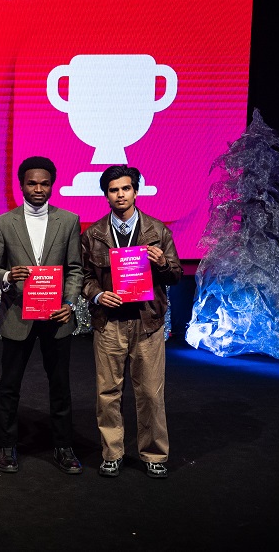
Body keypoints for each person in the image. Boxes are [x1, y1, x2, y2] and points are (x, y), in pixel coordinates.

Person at [0, 157, 83, 475]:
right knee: (10, 386)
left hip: (56, 316)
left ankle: (63, 447)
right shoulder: (3, 223)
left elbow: (75, 269)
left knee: (60, 386)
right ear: (21, 185)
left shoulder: (69, 221)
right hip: (18, 315)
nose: (38, 188)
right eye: (32, 183)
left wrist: (69, 302)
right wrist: (7, 276)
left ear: (52, 185)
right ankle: (6, 446)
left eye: (44, 183)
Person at [81, 165, 181, 479]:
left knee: (150, 392)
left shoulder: (158, 231)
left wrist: (162, 263)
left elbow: (175, 275)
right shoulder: (93, 234)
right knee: (107, 392)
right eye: (114, 190)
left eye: (126, 188)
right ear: (106, 195)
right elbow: (83, 277)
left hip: (147, 322)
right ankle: (112, 453)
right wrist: (98, 295)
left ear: (136, 191)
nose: (120, 195)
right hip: (109, 322)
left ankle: (154, 454)